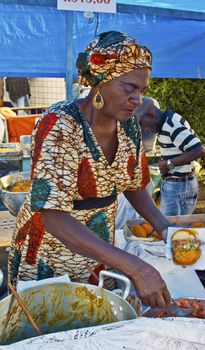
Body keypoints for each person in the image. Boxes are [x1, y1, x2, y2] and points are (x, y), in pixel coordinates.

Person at [8, 31, 171, 309]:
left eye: (141, 91)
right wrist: (135, 267)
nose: (137, 99)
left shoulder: (128, 125)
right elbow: (54, 216)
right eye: (128, 88)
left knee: (94, 322)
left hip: (99, 250)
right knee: (52, 326)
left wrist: (163, 225)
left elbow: (133, 185)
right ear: (100, 81)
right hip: (49, 253)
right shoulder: (60, 124)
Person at [135, 97, 205, 216]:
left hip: (178, 186)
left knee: (169, 227)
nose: (145, 130)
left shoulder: (171, 125)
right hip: (181, 183)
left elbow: (199, 150)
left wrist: (168, 164)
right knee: (180, 226)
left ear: (150, 115)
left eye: (142, 124)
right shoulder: (167, 123)